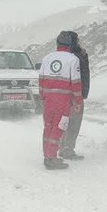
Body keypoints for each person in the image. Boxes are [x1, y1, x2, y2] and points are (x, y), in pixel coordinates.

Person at [39, 31, 83, 170]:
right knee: (59, 128)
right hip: (63, 100)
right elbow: (75, 83)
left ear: (57, 43)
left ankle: (47, 156)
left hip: (48, 100)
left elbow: (40, 80)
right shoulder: (72, 59)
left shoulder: (47, 58)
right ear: (69, 45)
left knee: (48, 126)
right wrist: (78, 101)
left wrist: (42, 97)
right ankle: (52, 159)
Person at [59, 31, 89, 160]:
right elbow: (81, 77)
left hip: (63, 94)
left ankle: (62, 147)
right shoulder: (78, 56)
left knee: (64, 122)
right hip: (75, 94)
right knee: (74, 123)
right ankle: (68, 149)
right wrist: (81, 95)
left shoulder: (62, 56)